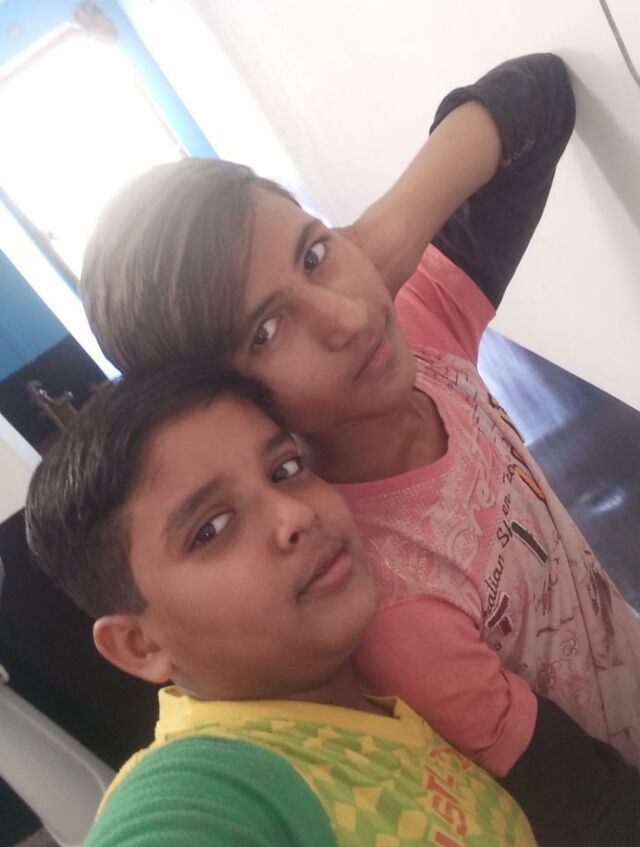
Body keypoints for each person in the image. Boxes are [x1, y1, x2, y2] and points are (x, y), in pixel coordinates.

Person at [79, 54, 640, 842]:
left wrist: (383, 238)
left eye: (313, 253)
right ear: (233, 400)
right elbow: (585, 797)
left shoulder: (417, 330)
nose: (343, 316)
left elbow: (538, 98)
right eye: (266, 330)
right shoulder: (390, 601)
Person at [25, 366, 539, 847]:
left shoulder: (365, 693)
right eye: (211, 529)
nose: (294, 514)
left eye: (284, 468)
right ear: (140, 645)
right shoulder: (214, 784)